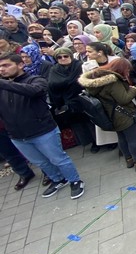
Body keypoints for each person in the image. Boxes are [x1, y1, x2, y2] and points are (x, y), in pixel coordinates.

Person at [0, 53, 85, 199]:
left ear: (21, 64)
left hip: (42, 131)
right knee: (40, 162)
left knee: (58, 158)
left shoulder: (35, 80)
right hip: (17, 135)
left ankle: (75, 181)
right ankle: (58, 179)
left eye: (6, 65)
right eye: (0, 66)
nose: (2, 69)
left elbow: (35, 91)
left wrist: (4, 84)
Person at [79, 58, 136, 172]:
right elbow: (124, 98)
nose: (128, 73)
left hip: (110, 115)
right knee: (132, 139)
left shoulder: (97, 81)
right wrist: (134, 89)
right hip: (123, 114)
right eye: (127, 70)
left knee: (122, 138)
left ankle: (129, 160)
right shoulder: (113, 81)